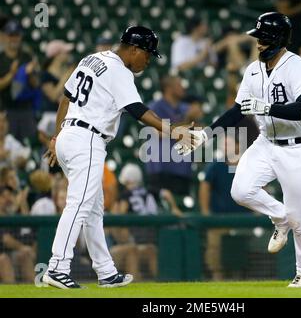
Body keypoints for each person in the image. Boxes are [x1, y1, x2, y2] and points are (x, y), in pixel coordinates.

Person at [43, 25, 196, 289]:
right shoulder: (118, 69)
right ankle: (57, 267)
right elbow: (137, 110)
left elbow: (65, 100)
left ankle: (105, 271)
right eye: (147, 54)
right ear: (133, 49)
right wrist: (173, 131)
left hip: (69, 135)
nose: (148, 60)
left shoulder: (90, 59)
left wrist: (56, 137)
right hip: (87, 139)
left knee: (92, 209)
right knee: (80, 204)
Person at [176, 12, 301, 287]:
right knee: (240, 190)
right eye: (257, 39)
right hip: (267, 143)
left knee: (299, 215)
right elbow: (236, 111)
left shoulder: (295, 65)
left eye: (263, 39)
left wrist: (267, 108)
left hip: (299, 147)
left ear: (278, 40)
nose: (258, 44)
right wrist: (207, 134)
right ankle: (279, 218)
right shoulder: (253, 70)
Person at [199, 135, 250, 280]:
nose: (225, 147)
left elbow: (260, 185)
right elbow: (205, 186)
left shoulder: (247, 165)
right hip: (219, 218)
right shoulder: (216, 165)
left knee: (240, 249)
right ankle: (217, 277)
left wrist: (257, 211)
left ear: (237, 146)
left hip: (244, 218)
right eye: (223, 144)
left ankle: (240, 278)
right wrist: (205, 210)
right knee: (214, 249)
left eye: (228, 144)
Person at [145, 75, 203, 196]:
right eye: (179, 85)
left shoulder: (185, 107)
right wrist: (186, 119)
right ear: (169, 88)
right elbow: (157, 133)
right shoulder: (155, 106)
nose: (183, 88)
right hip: (160, 168)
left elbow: (199, 130)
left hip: (183, 169)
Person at [0, 20, 39, 141]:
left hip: (25, 109)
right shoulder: (1, 59)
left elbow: (35, 84)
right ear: (5, 36)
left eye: (16, 35)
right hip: (6, 110)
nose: (14, 39)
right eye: (11, 35)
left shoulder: (26, 57)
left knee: (29, 144)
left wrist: (30, 74)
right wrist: (13, 74)